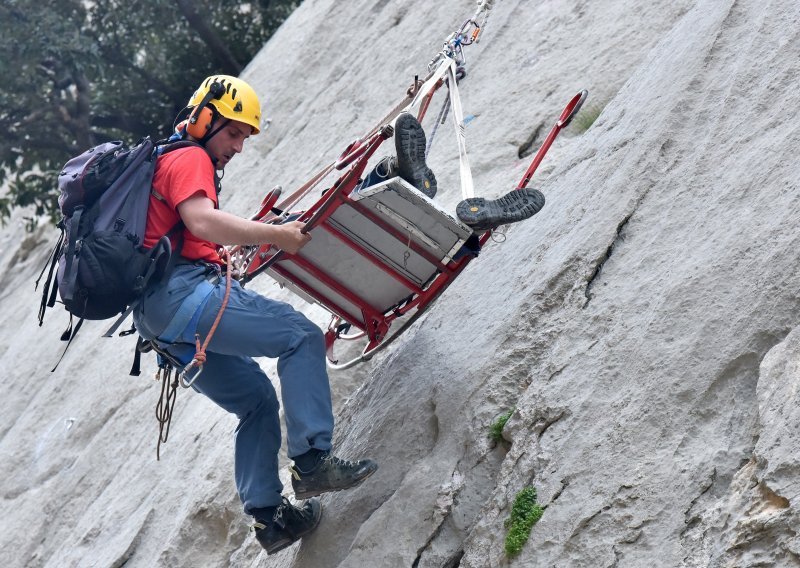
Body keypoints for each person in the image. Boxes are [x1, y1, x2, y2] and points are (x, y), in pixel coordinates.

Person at [133, 75, 378, 556]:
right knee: (301, 336)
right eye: (234, 133)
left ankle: (271, 519)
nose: (239, 147)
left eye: (244, 137)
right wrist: (276, 233)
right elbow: (201, 221)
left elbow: (189, 233)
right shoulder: (188, 157)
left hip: (161, 325)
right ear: (205, 120)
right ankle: (312, 462)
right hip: (185, 298)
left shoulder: (166, 160)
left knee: (257, 402)